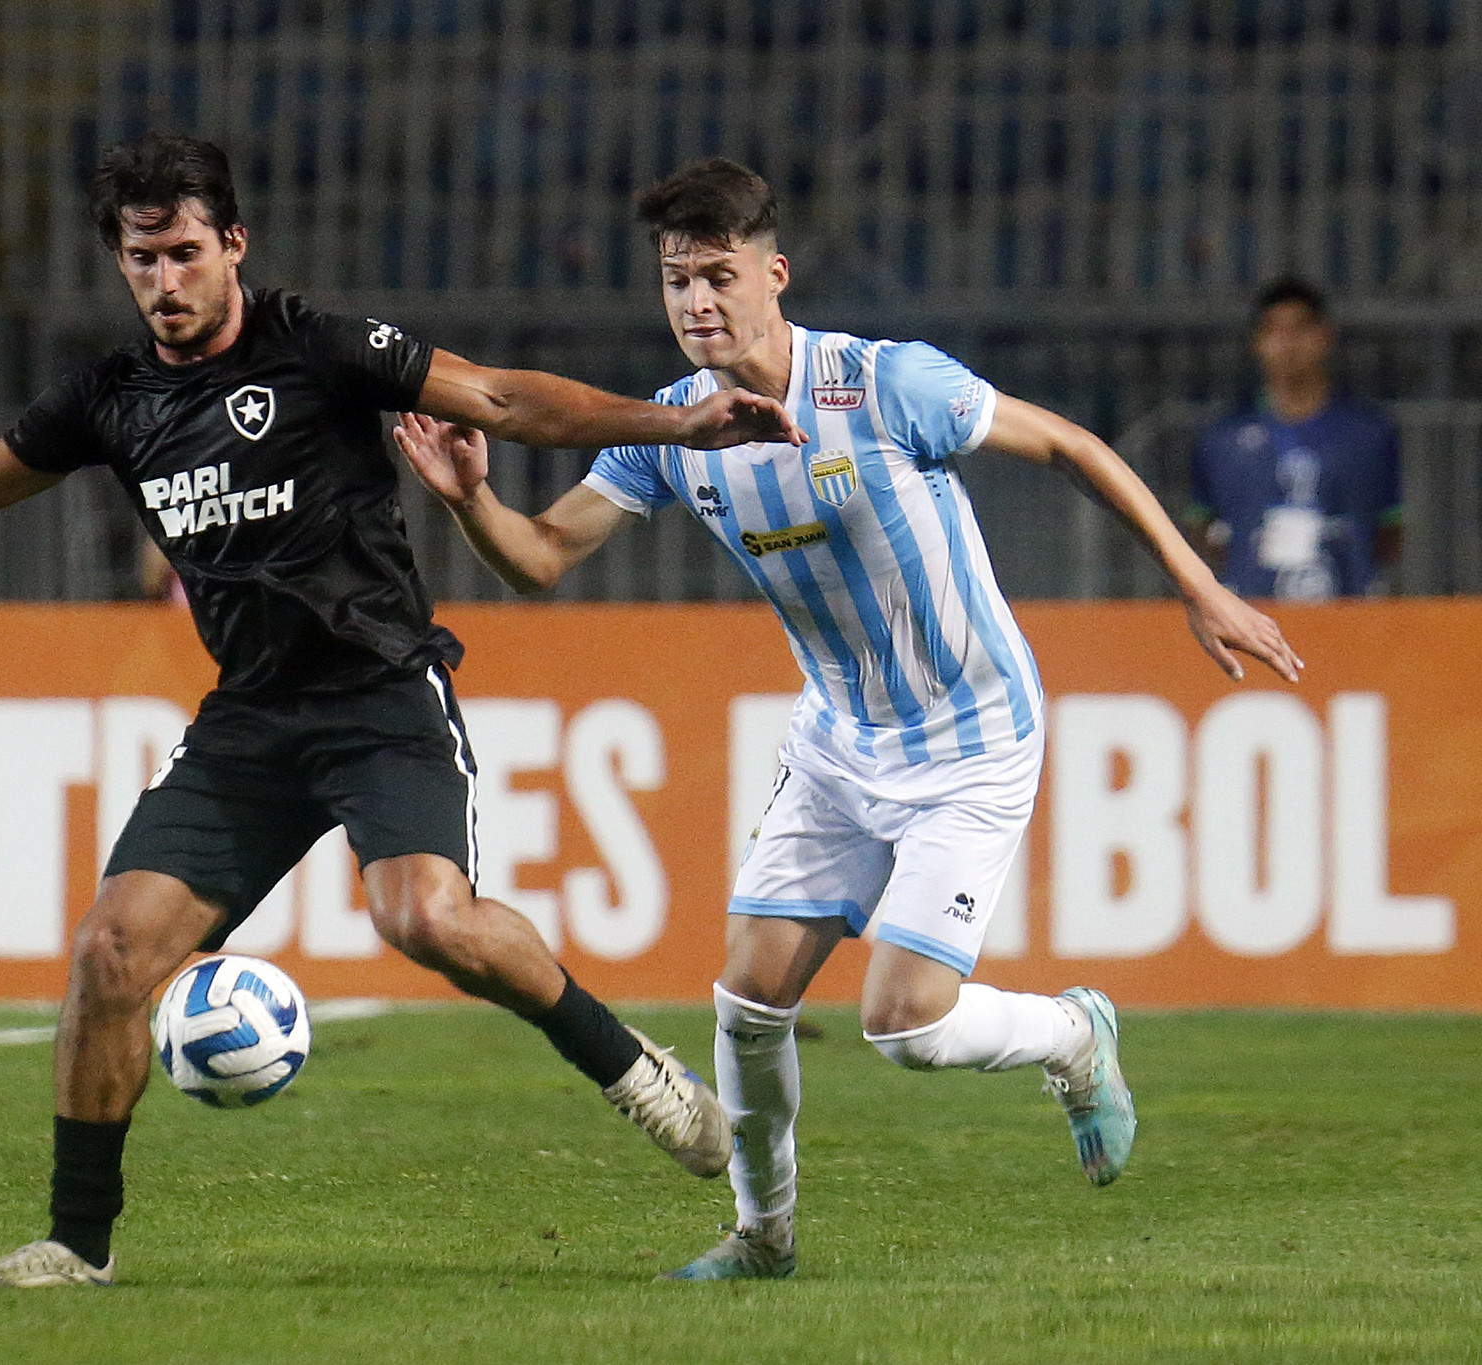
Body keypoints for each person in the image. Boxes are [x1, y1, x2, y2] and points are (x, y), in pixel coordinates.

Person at [0, 133, 802, 1289]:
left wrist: (677, 423)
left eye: (182, 253)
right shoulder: (111, 400)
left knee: (424, 918)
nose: (164, 282)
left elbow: (500, 397)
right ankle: (77, 1245)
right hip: (250, 721)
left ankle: (638, 1076)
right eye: (140, 260)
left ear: (230, 245)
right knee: (113, 951)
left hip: (379, 691)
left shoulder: (317, 346)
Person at [393, 158, 1302, 1281]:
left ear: (773, 274)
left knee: (905, 1025)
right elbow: (537, 559)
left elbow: (1069, 445)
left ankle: (1072, 1036)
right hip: (838, 745)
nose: (695, 303)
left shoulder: (882, 387)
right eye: (675, 280)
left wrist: (1197, 587)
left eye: (718, 275)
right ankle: (760, 1238)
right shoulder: (669, 430)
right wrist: (472, 499)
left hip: (971, 739)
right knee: (743, 1004)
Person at [1189, 278, 1403, 600]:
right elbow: (1202, 524)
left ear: (1324, 336)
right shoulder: (1223, 437)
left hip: (1347, 609)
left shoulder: (1369, 433)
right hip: (1254, 612)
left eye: (1299, 329)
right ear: (1257, 342)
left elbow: (1389, 528)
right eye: (1274, 331)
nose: (1288, 344)